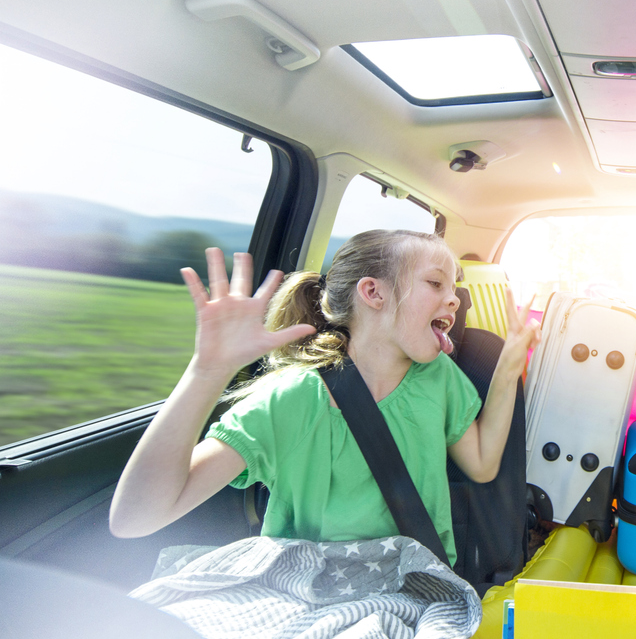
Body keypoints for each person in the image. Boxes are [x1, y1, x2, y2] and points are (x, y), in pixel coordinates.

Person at [110, 229, 539, 564]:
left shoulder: (440, 377)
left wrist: (507, 366)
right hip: (308, 587)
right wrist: (207, 371)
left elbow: (482, 467)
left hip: (414, 583)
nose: (455, 299)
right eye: (435, 283)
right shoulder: (291, 398)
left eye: (455, 287)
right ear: (373, 293)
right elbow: (135, 519)